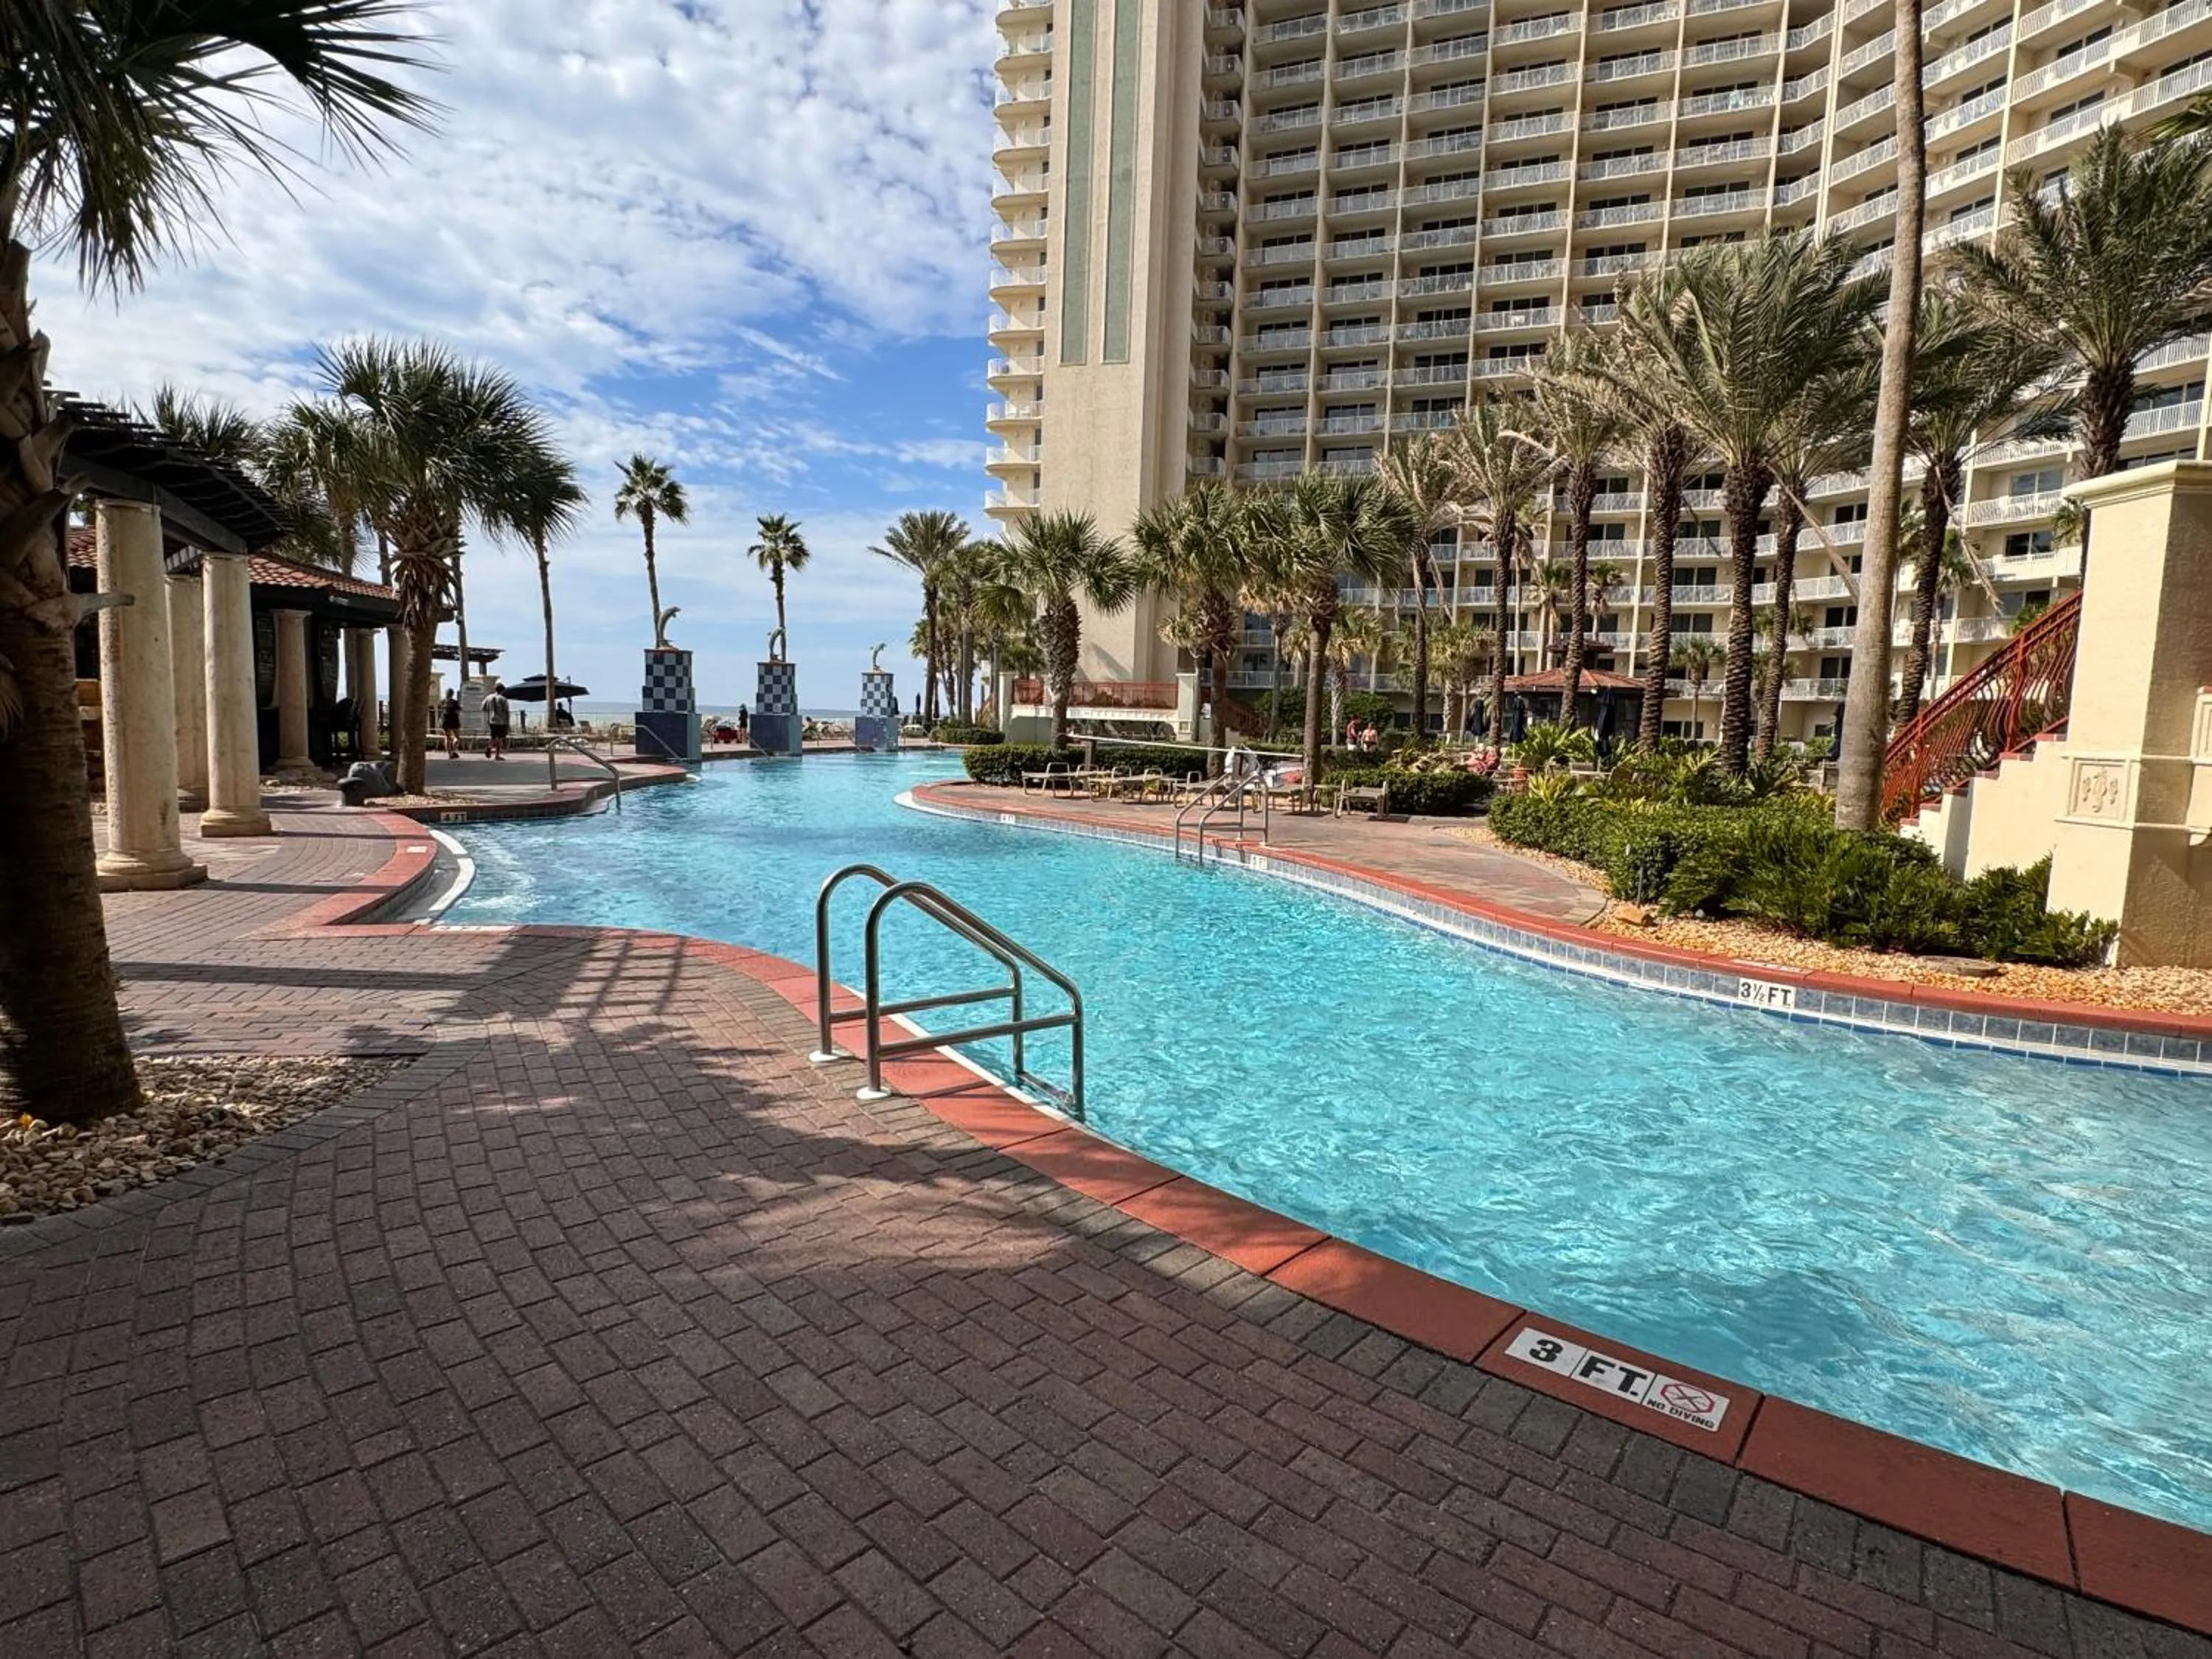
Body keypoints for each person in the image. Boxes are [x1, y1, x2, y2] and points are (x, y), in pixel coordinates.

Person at [481, 685, 512, 760]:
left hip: (491, 720)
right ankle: (497, 755)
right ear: (503, 691)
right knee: (500, 738)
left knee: (493, 736)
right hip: (501, 721)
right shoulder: (504, 699)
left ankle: (489, 747)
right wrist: (508, 723)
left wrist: (491, 710)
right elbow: (507, 712)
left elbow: (483, 708)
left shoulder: (489, 697)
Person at [439, 692, 462, 759]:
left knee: (447, 738)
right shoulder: (455, 702)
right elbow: (458, 711)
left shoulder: (443, 702)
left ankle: (450, 754)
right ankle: (454, 750)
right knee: (457, 737)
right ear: (452, 694)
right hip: (454, 721)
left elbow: (441, 710)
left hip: (445, 721)